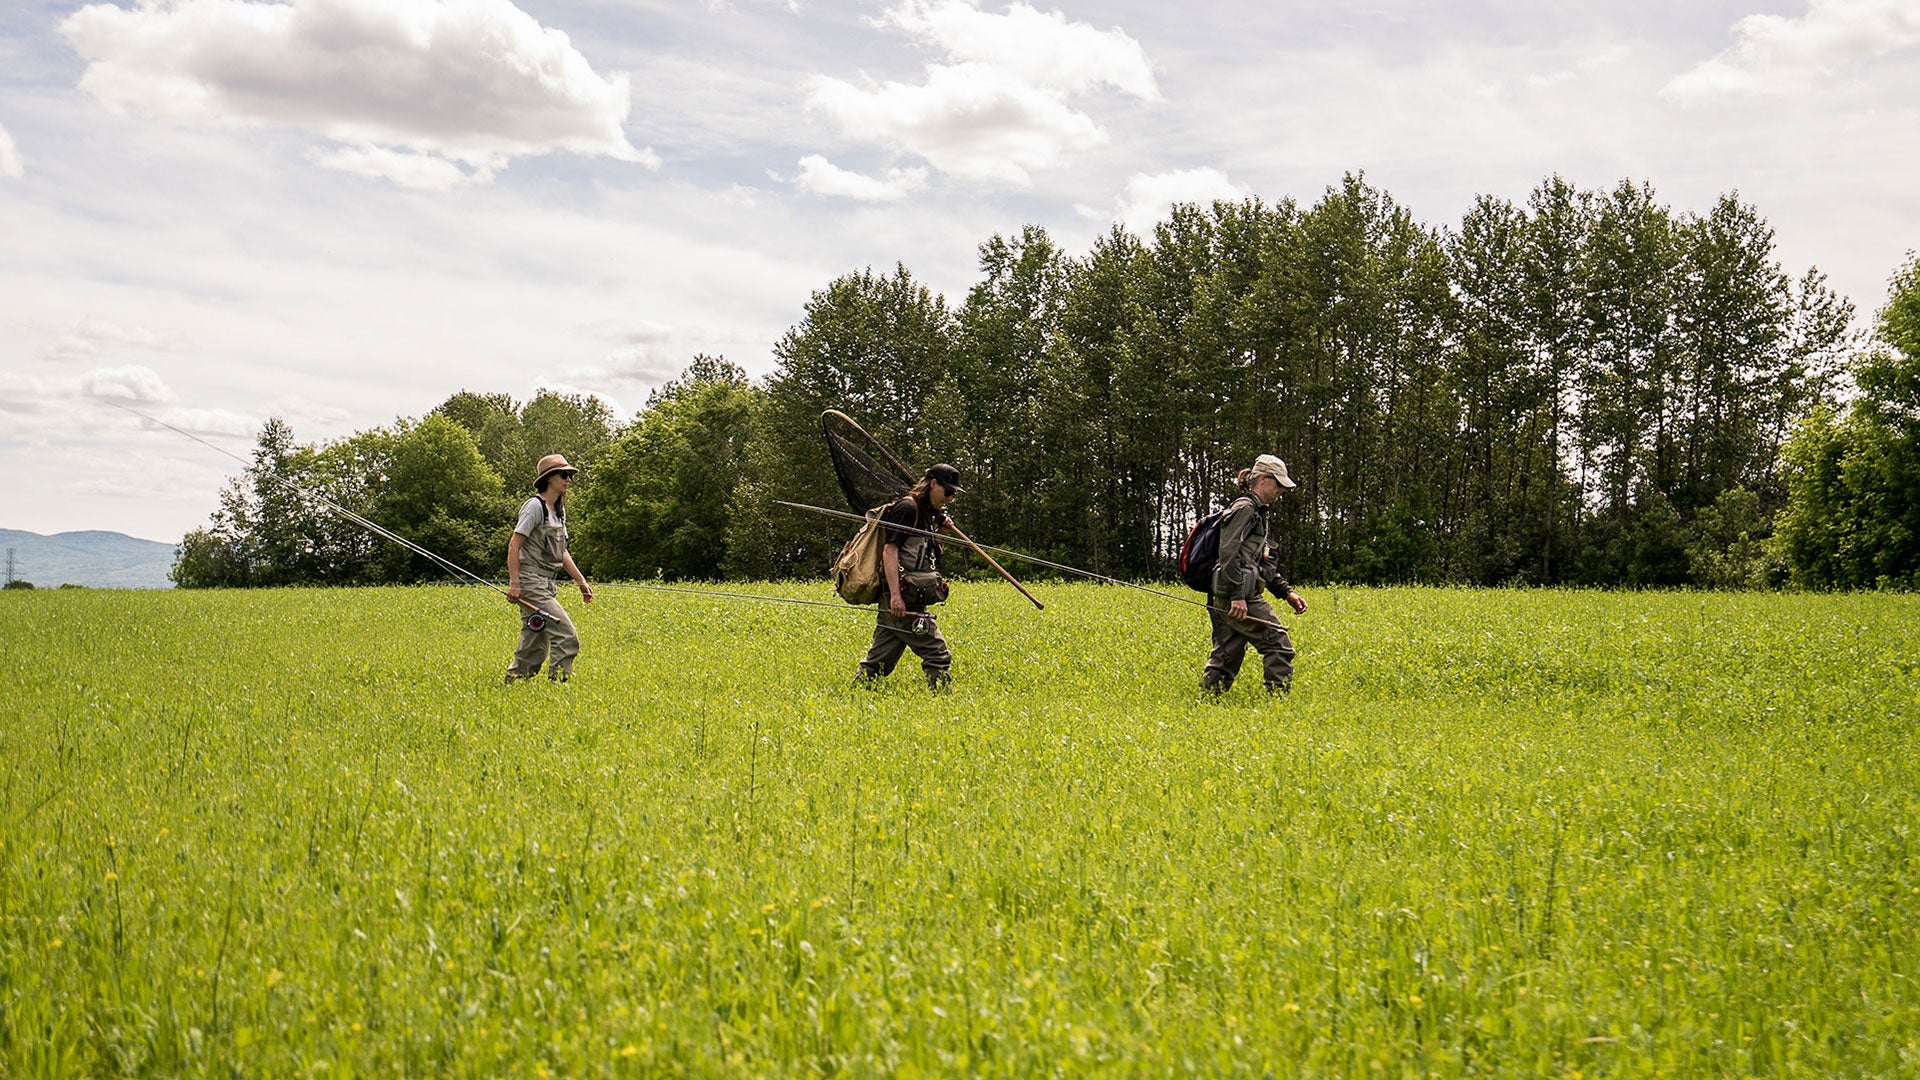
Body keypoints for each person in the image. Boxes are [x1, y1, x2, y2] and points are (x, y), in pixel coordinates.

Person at [1203, 454, 1308, 696]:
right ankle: (1277, 703)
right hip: (1240, 596)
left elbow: (1260, 563)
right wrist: (1237, 596)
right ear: (1262, 479)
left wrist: (1286, 592)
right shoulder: (1245, 509)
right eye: (1278, 483)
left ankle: (1207, 703)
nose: (1281, 489)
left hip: (1229, 593)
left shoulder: (1258, 511)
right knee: (1279, 644)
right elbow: (1228, 552)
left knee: (1227, 654)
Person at [858, 463, 962, 689]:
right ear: (933, 484)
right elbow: (890, 551)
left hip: (911, 596)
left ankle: (857, 693)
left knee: (880, 661)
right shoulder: (907, 509)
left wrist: (940, 533)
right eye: (948, 492)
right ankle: (944, 702)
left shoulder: (925, 513)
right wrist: (895, 596)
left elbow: (922, 556)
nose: (950, 498)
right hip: (902, 597)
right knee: (937, 653)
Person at [505, 454, 593, 683]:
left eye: (570, 475)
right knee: (566, 635)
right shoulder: (535, 507)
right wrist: (515, 584)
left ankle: (513, 682)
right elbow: (514, 545)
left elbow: (561, 552)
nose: (569, 480)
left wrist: (581, 581)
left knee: (535, 637)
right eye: (564, 475)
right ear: (549, 478)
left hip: (547, 583)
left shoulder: (558, 511)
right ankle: (559, 685)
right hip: (531, 582)